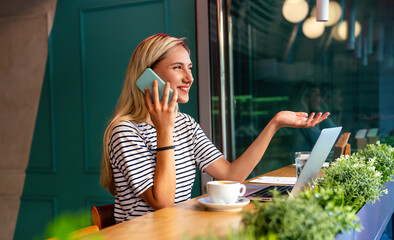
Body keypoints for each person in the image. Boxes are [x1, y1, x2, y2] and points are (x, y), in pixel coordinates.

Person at [100, 33, 330, 223]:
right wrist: (163, 130)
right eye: (178, 67)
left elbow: (233, 175)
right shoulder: (125, 131)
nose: (189, 77)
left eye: (189, 68)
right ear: (148, 76)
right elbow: (163, 203)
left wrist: (275, 124)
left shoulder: (185, 124)